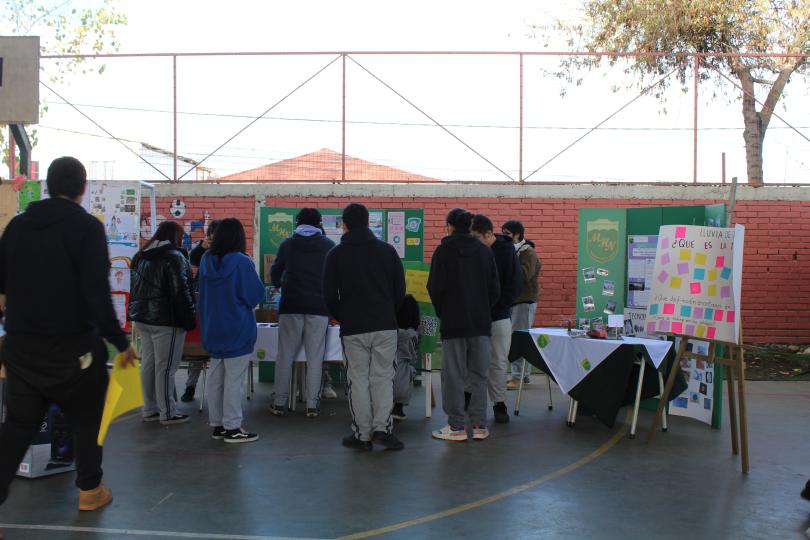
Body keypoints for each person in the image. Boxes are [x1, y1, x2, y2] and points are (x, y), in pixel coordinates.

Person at [0, 156, 137, 514]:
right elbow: (96, 292)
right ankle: (90, 490)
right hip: (74, 348)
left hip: (21, 346)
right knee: (88, 416)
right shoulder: (86, 227)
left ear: (47, 185)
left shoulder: (17, 226)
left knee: (17, 427)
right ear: (83, 188)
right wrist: (120, 342)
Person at [323, 203, 406, 451]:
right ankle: (383, 429)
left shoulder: (336, 255)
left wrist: (343, 316)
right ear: (369, 222)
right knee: (382, 377)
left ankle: (362, 435)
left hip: (353, 327)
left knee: (357, 379)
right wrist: (389, 312)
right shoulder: (387, 251)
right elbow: (399, 291)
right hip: (385, 324)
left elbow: (328, 295)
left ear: (344, 225)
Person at [428, 208, 499, 442]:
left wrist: (444, 312)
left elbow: (434, 288)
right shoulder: (484, 251)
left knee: (453, 376)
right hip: (480, 323)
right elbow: (494, 290)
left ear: (449, 226)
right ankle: (479, 425)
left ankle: (457, 426)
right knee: (479, 375)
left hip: (454, 324)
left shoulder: (442, 252)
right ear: (470, 227)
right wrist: (483, 310)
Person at [198, 218, 265, 443]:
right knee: (234, 380)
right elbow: (255, 295)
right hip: (236, 327)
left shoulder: (206, 260)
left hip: (212, 327)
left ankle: (217, 424)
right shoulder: (241, 262)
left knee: (216, 378)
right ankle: (233, 427)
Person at [269, 208, 335, 417]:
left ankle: (279, 403)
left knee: (285, 356)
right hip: (319, 307)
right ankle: (312, 405)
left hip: (291, 306)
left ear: (297, 222)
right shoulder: (328, 245)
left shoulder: (287, 244)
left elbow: (275, 272)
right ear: (319, 223)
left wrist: (281, 285)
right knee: (315, 357)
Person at [129, 220, 197, 425]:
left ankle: (150, 409)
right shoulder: (175, 257)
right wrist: (189, 319)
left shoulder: (141, 256)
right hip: (167, 320)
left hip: (142, 318)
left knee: (148, 365)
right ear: (176, 237)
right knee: (166, 367)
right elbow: (181, 292)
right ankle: (167, 412)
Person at [470, 214, 522, 424]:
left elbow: (515, 285)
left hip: (498, 316)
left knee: (498, 361)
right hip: (475, 316)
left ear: (489, 234)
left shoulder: (507, 251)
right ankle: (469, 400)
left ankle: (499, 403)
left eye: (476, 237)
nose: (473, 241)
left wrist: (498, 306)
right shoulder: (473, 251)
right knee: (472, 361)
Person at [182, 219, 221, 403]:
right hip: (203, 305)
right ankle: (190, 386)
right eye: (210, 236)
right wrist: (202, 248)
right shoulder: (202, 250)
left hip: (220, 309)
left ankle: (216, 392)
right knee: (198, 347)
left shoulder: (231, 254)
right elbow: (193, 260)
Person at [501, 220, 541, 390]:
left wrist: (508, 263)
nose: (504, 237)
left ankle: (517, 377)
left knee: (518, 338)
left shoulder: (527, 252)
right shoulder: (515, 251)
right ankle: (523, 375)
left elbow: (524, 275)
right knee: (519, 337)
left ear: (517, 235)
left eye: (507, 234)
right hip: (515, 300)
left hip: (524, 301)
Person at [392, 294, 420, 421]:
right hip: (401, 386)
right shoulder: (413, 335)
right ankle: (398, 408)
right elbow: (413, 358)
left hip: (381, 382)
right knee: (410, 369)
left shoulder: (388, 332)